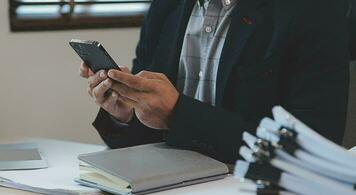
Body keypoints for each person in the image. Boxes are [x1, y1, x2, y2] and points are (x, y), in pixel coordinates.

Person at [79, 0, 350, 164]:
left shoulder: (314, 10)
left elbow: (315, 146)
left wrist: (177, 113)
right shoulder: (166, 7)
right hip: (174, 188)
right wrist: (126, 114)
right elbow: (151, 139)